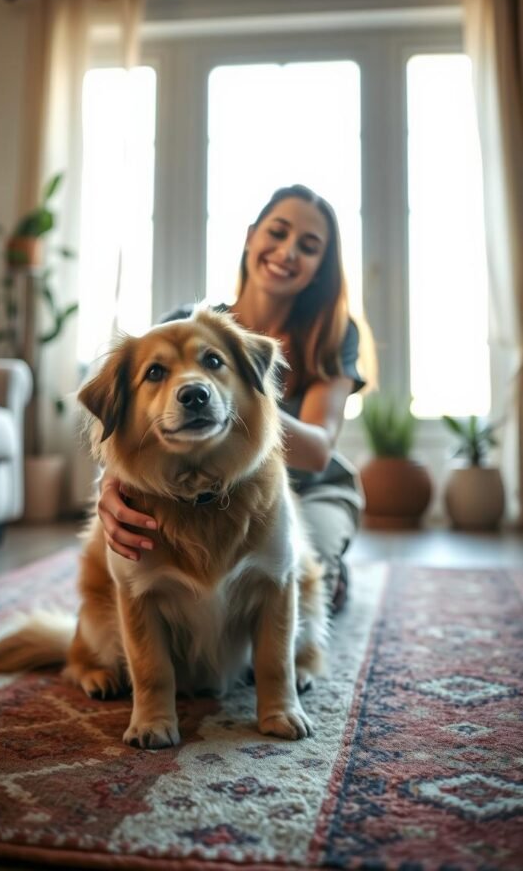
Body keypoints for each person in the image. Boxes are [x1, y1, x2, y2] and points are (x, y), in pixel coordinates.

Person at [97, 184, 373, 612]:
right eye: (277, 233)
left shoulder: (335, 336)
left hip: (312, 489)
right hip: (208, 492)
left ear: (320, 266)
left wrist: (236, 399)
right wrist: (111, 485)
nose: (287, 252)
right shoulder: (184, 326)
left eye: (309, 245)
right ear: (250, 236)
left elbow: (318, 450)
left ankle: (327, 564)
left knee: (302, 588)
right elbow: (136, 421)